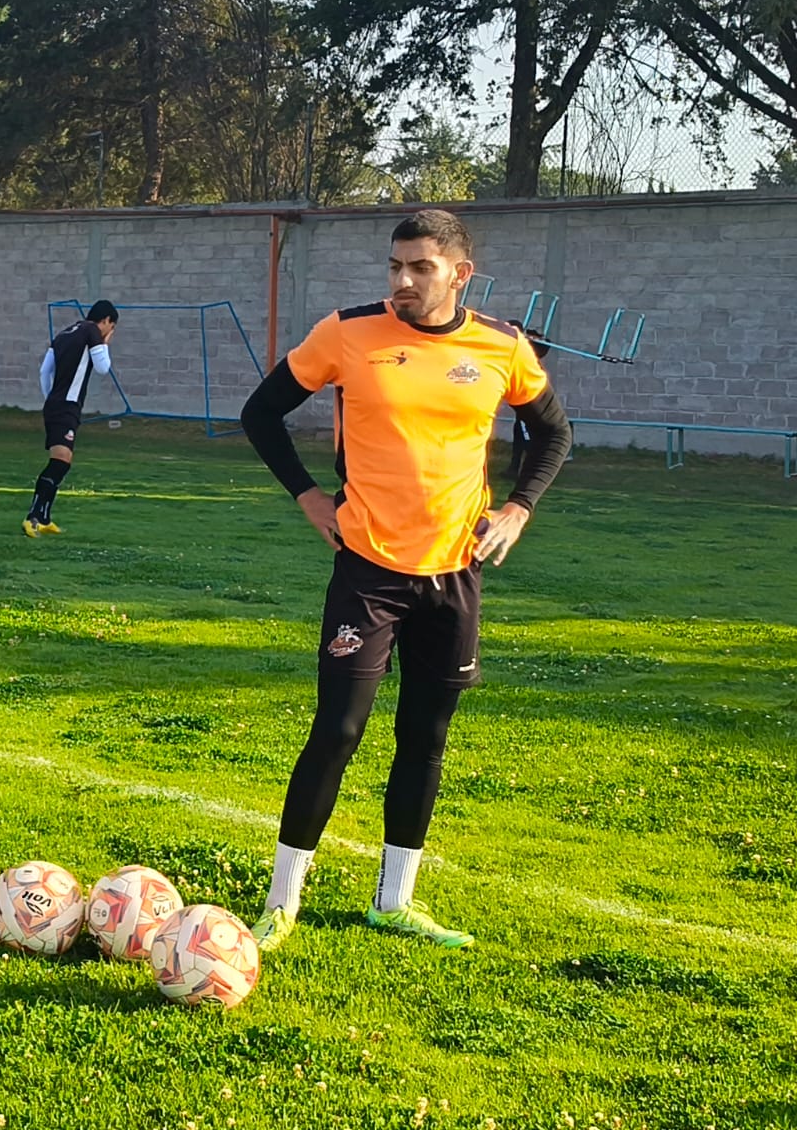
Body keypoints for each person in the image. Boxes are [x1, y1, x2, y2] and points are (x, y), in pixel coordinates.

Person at [239, 209, 572, 953]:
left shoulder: (501, 345)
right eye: (395, 266)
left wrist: (518, 507)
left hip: (454, 574)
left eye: (420, 268)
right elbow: (261, 413)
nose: (402, 281)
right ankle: (282, 903)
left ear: (460, 273)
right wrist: (307, 494)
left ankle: (394, 902)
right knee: (339, 731)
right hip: (368, 569)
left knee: (425, 736)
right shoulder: (348, 333)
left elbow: (552, 430)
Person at [22, 299, 117, 536]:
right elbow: (103, 367)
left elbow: (45, 370)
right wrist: (105, 342)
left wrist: (50, 398)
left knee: (62, 461)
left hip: (56, 403)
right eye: (111, 327)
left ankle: (44, 517)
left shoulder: (65, 332)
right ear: (105, 320)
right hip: (67, 406)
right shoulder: (93, 331)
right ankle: (33, 516)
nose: (109, 331)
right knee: (60, 461)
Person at [507, 322, 552, 481]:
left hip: (529, 396)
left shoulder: (529, 343)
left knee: (528, 437)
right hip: (520, 399)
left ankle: (530, 473)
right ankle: (513, 468)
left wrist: (532, 338)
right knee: (519, 434)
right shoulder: (512, 347)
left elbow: (546, 346)